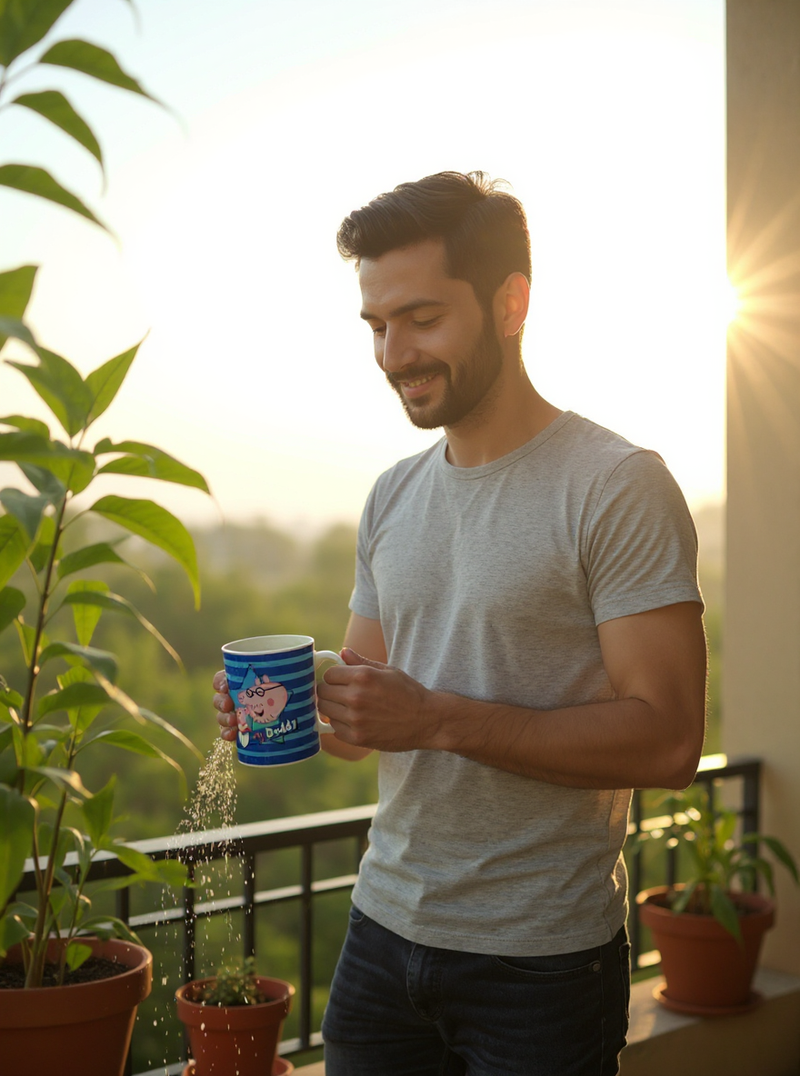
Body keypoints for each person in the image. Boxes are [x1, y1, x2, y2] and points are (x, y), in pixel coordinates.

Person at [214, 171, 707, 1076]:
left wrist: (437, 718)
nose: (393, 353)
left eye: (422, 318)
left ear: (510, 304)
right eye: (376, 325)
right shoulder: (392, 496)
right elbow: (367, 725)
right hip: (381, 930)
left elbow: (670, 742)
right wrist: (284, 707)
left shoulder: (616, 485)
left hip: (544, 964)